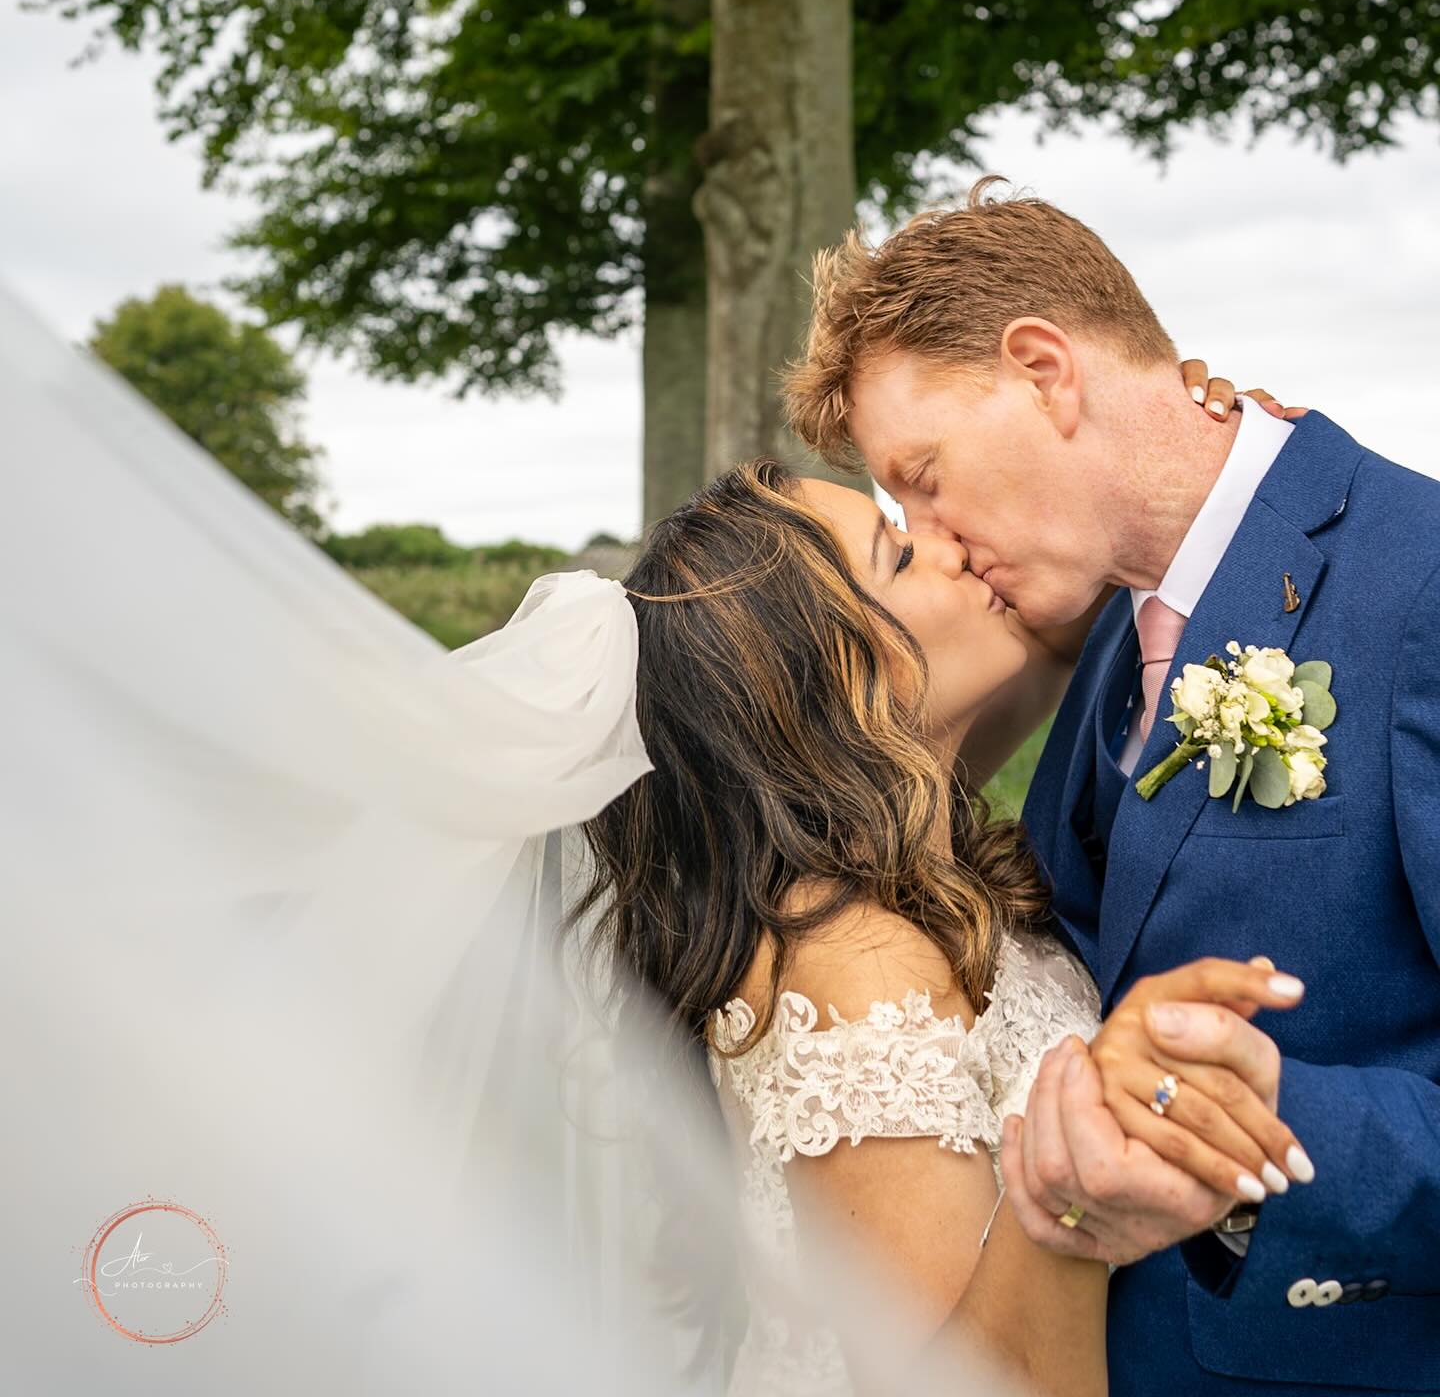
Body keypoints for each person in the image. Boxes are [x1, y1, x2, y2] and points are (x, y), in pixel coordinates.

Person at [783, 178, 1440, 1397]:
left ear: (1044, 371)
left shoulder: (1421, 584)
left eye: (924, 475)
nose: (934, 536)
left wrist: (1260, 1130)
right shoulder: (1092, 635)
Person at [578, 428, 1309, 1397]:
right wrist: (1074, 1189)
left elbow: (1064, 604)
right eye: (897, 550)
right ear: (829, 684)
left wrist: (1224, 448)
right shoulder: (856, 967)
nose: (950, 543)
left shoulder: (900, 864)